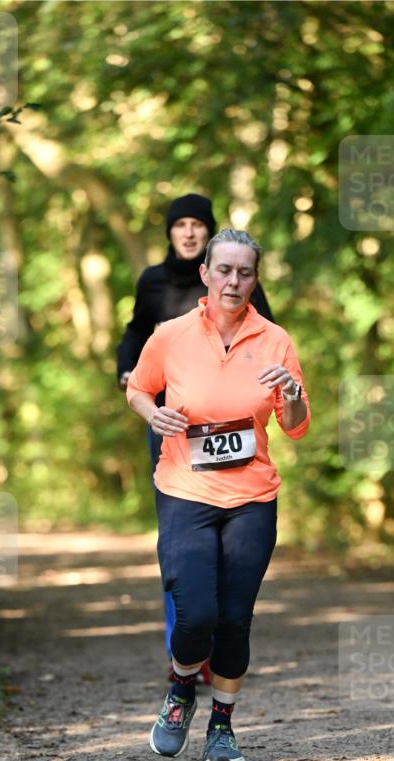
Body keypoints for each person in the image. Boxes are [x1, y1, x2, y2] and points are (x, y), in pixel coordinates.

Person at [126, 229, 310, 761]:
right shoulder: (171, 335)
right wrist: (151, 413)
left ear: (255, 279)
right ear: (205, 274)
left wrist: (294, 396)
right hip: (185, 489)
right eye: (224, 270)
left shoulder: (275, 340)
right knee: (196, 612)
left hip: (252, 496)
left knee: (235, 618)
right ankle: (182, 688)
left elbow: (295, 427)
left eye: (245, 272)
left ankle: (223, 726)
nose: (234, 280)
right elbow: (139, 386)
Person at [117, 195, 274, 681]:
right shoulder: (153, 282)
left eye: (196, 225)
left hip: (233, 434)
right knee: (183, 544)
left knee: (228, 547)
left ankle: (215, 643)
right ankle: (183, 644)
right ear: (170, 233)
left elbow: (267, 330)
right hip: (174, 425)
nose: (187, 232)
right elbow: (135, 332)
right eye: (179, 225)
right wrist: (128, 373)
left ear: (209, 236)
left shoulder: (238, 280)